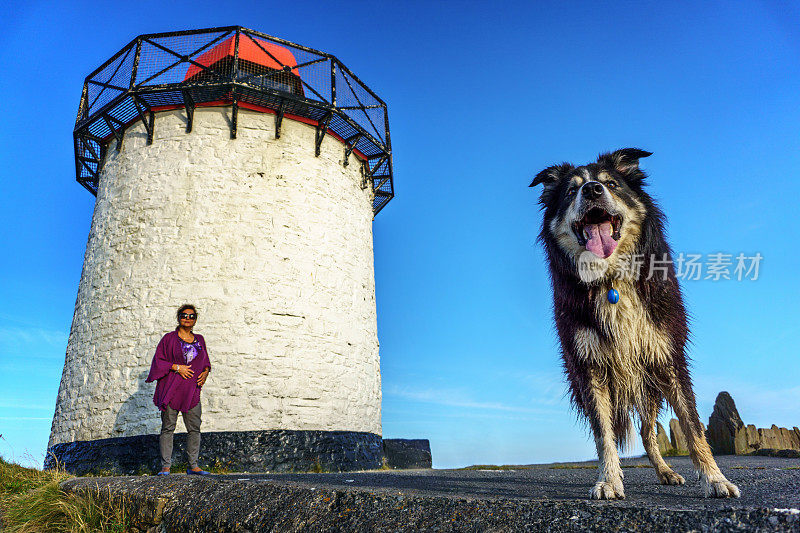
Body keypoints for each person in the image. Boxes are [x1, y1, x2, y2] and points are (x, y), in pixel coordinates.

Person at [145, 304, 212, 475]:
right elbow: (158, 361)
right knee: (168, 427)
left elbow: (205, 362)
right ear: (178, 317)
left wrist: (205, 372)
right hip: (172, 390)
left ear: (195, 320)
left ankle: (193, 465)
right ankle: (166, 466)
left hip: (191, 391)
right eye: (184, 315)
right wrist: (177, 367)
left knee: (194, 428)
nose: (187, 318)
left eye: (191, 316)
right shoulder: (168, 339)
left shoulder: (200, 339)